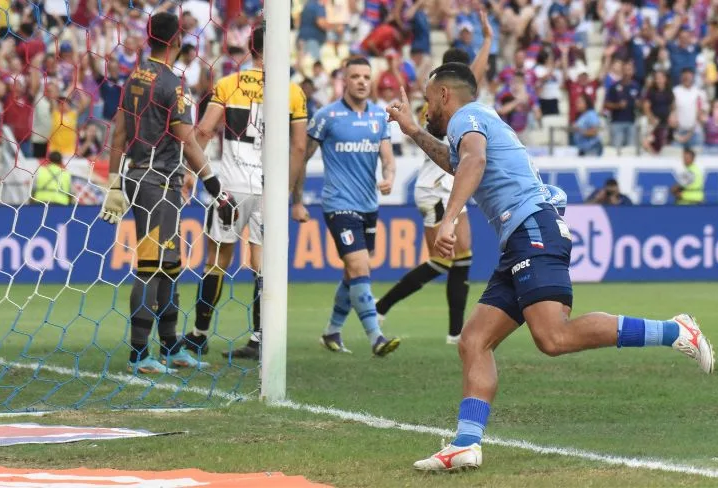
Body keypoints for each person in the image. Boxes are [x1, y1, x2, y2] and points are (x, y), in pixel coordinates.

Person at [385, 62, 714, 472]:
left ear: (444, 95)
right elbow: (457, 162)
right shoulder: (474, 123)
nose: (425, 108)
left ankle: (676, 331)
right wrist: (413, 132)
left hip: (532, 229)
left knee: (554, 337)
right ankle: (466, 444)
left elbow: (473, 162)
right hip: (520, 236)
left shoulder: (467, 117)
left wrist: (450, 218)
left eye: (428, 99)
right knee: (474, 341)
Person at [99, 12, 237, 374]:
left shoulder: (135, 77)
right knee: (151, 268)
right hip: (157, 181)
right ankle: (139, 353)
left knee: (169, 266)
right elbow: (187, 141)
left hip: (145, 177)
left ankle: (171, 345)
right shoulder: (172, 84)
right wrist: (215, 187)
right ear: (176, 41)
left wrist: (114, 181)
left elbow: (118, 133)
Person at [181, 26, 308, 361]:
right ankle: (259, 338)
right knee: (262, 264)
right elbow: (299, 147)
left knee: (216, 261)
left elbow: (204, 130)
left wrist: (190, 172)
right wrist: (286, 190)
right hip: (270, 188)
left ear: (250, 49)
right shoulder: (292, 92)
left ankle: (199, 335)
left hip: (231, 187)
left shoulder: (229, 84)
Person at [375, 22, 494, 344]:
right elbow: (476, 77)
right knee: (444, 260)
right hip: (435, 187)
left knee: (460, 257)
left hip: (448, 186)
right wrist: (487, 42)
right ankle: (382, 306)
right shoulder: (441, 106)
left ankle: (455, 332)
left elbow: (476, 78)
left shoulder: (452, 104)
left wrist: (487, 41)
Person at [294, 57, 400, 356]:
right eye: (355, 76)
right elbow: (301, 159)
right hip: (338, 204)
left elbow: (388, 160)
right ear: (344, 80)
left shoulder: (379, 116)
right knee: (359, 266)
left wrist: (389, 178)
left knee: (354, 272)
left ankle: (331, 331)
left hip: (369, 205)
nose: (362, 81)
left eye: (366, 76)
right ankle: (376, 338)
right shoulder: (326, 116)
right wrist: (297, 200)